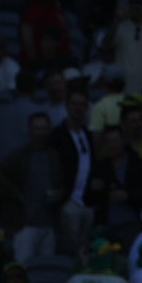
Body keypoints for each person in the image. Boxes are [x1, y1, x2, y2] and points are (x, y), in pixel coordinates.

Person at [0, 112, 65, 263]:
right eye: (37, 128)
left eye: (44, 128)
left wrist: (58, 194)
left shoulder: (54, 156)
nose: (40, 132)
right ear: (30, 130)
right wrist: (15, 193)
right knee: (22, 268)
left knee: (46, 271)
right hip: (25, 226)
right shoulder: (18, 155)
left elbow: (61, 185)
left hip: (49, 225)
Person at [84, 125, 142, 247]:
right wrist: (93, 189)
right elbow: (87, 199)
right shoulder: (100, 167)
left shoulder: (139, 165)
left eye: (115, 141)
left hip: (134, 225)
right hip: (106, 227)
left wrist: (128, 195)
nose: (111, 145)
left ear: (123, 141)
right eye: (107, 141)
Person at [50, 87, 96, 256]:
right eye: (74, 103)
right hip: (68, 203)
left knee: (84, 251)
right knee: (67, 251)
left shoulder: (88, 135)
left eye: (82, 104)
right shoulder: (56, 136)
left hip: (87, 202)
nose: (78, 108)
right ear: (67, 106)